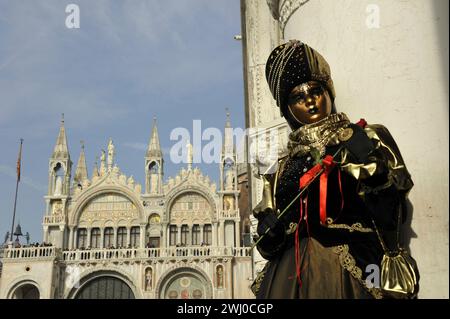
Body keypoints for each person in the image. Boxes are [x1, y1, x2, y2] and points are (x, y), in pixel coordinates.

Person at [252, 40, 417, 299]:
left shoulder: (365, 136)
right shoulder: (279, 170)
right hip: (287, 279)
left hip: (350, 271)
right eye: (298, 97)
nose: (310, 102)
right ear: (287, 109)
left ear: (329, 92)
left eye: (315, 91)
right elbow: (268, 247)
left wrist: (371, 168)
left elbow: (394, 208)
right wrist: (268, 232)